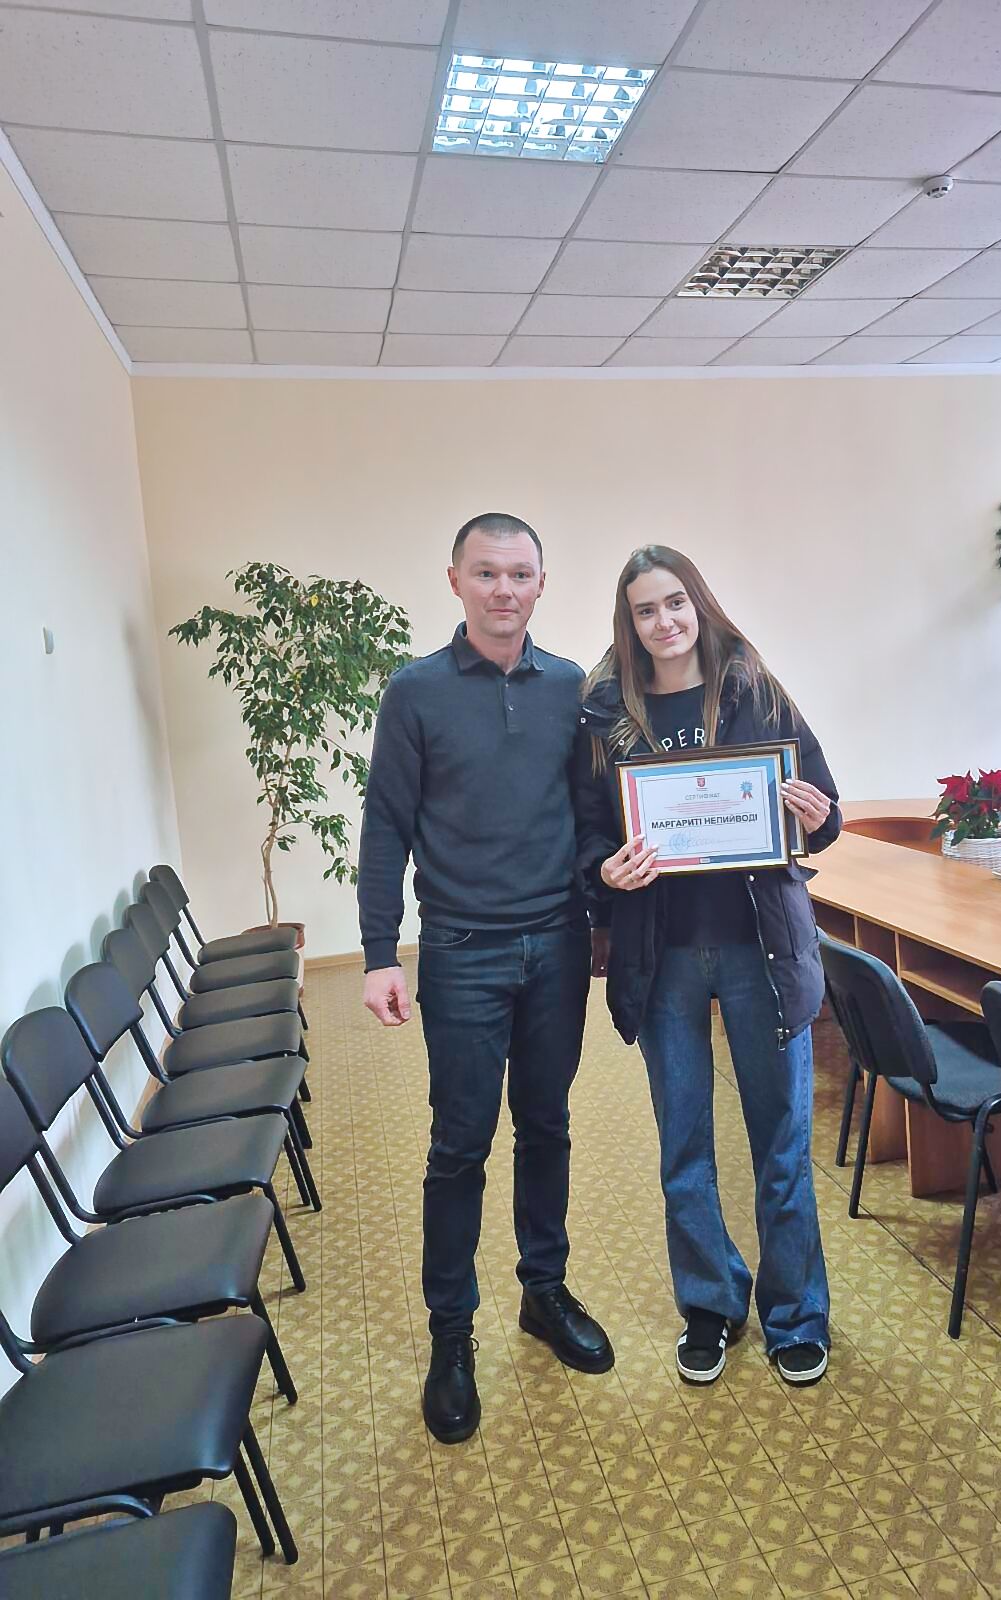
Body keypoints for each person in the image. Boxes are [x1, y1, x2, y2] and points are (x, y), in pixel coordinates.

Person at [358, 512, 613, 1447]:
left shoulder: (572, 689)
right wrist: (378, 952)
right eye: (487, 573)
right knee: (459, 1145)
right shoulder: (415, 691)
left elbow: (589, 814)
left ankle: (543, 1292)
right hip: (462, 951)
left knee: (547, 1125)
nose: (504, 589)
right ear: (455, 580)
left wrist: (602, 912)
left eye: (520, 574)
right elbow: (386, 827)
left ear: (542, 584)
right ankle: (451, 1334)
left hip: (556, 946)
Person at [574, 545, 840, 1387]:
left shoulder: (754, 687)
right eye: (646, 610)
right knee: (683, 1140)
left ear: (699, 603)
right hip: (662, 957)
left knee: (781, 1138)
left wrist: (816, 814)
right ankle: (711, 1303)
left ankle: (796, 1314)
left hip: (762, 948)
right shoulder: (606, 713)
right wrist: (605, 870)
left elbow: (826, 810)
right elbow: (587, 833)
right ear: (629, 622)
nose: (665, 622)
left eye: (676, 603)